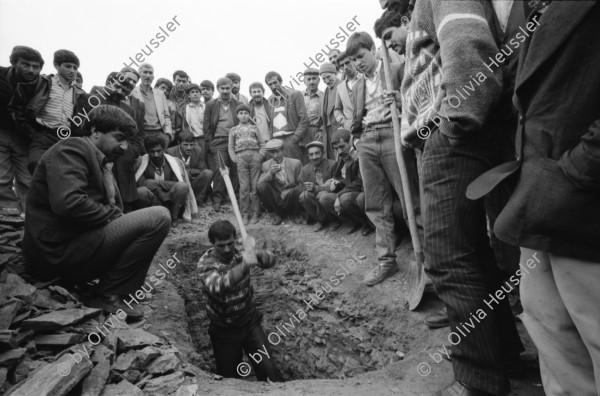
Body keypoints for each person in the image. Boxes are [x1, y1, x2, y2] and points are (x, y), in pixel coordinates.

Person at [470, 2, 600, 395]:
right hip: (542, 202)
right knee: (550, 332)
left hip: (585, 204)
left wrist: (580, 168)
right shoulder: (533, 11)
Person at [401, 1, 524, 394]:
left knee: (449, 258)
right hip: (456, 130)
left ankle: (480, 382)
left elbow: (467, 40)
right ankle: (503, 355)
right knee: (471, 253)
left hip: (455, 132)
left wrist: (456, 120)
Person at [23, 105, 170, 321]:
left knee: (141, 220)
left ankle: (117, 288)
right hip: (56, 254)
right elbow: (69, 204)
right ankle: (109, 295)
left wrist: (115, 216)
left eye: (127, 140)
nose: (124, 146)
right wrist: (113, 215)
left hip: (73, 248)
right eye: (119, 138)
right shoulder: (72, 148)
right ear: (94, 131)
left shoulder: (100, 160)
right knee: (159, 217)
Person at [346, 31, 419, 286]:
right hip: (367, 139)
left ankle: (429, 261)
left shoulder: (397, 70)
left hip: (393, 134)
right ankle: (386, 261)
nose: (357, 63)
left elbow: (418, 100)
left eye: (361, 56)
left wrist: (399, 99)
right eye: (353, 59)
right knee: (376, 204)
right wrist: (356, 140)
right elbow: (356, 118)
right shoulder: (358, 86)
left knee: (411, 199)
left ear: (374, 50)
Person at [197, 220, 283, 381]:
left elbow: (270, 262)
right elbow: (219, 287)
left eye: (230, 243)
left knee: (269, 370)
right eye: (221, 245)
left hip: (249, 322)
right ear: (212, 243)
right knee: (229, 379)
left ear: (234, 239)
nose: (227, 249)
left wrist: (261, 255)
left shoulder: (241, 251)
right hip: (224, 329)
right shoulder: (206, 263)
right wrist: (244, 266)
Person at [25, 49, 86, 173]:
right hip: (43, 133)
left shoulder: (79, 92)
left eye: (75, 67)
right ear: (56, 65)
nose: (72, 71)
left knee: (64, 171)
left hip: (66, 136)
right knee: (35, 164)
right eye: (68, 66)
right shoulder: (43, 82)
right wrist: (32, 131)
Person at [0, 46, 43, 213]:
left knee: (28, 179)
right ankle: (9, 218)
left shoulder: (41, 85)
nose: (31, 70)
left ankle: (30, 218)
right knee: (2, 178)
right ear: (13, 63)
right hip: (1, 132)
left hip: (24, 137)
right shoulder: (2, 76)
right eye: (26, 64)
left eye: (36, 66)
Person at [134, 134, 198, 226]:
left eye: (159, 151)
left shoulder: (174, 162)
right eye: (152, 152)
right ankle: (150, 218)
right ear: (147, 151)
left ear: (164, 150)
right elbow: (142, 183)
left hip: (170, 198)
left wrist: (157, 183)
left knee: (182, 186)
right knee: (141, 191)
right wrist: (161, 193)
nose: (156, 155)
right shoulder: (141, 162)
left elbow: (176, 183)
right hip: (154, 199)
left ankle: (174, 217)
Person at [321, 129, 371, 235]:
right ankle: (356, 221)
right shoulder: (342, 157)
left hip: (362, 190)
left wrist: (339, 195)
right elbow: (341, 176)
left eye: (342, 146)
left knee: (345, 199)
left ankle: (369, 223)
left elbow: (359, 181)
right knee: (324, 198)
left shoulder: (359, 155)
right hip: (349, 190)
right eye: (336, 149)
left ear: (351, 142)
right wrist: (337, 182)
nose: (339, 152)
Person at [203, 77, 241, 211]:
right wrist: (210, 142)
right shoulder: (211, 104)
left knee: (235, 169)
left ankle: (236, 198)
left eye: (227, 88)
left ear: (231, 89)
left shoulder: (237, 103)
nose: (225, 91)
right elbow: (206, 126)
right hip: (218, 141)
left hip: (235, 141)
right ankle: (217, 199)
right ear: (218, 89)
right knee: (221, 170)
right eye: (222, 88)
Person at [228, 104, 265, 225]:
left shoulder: (254, 128)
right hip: (241, 159)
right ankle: (245, 214)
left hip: (254, 158)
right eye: (241, 113)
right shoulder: (233, 130)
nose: (243, 115)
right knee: (244, 188)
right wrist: (234, 158)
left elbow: (262, 144)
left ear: (249, 115)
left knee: (255, 187)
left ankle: (256, 213)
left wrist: (260, 156)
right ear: (237, 115)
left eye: (246, 113)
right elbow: (231, 147)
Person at [257, 139, 303, 225]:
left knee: (298, 190)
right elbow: (259, 184)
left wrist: (288, 191)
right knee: (262, 187)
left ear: (283, 151)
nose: (275, 156)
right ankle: (277, 214)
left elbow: (301, 183)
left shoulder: (295, 163)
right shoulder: (266, 165)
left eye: (277, 152)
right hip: (276, 197)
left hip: (291, 196)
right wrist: (270, 173)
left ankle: (296, 213)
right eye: (271, 153)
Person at [264, 71, 308, 162]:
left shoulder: (294, 94)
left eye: (275, 83)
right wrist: (272, 140)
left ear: (280, 82)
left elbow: (303, 119)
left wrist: (295, 138)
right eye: (270, 84)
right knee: (281, 170)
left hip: (290, 138)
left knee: (295, 168)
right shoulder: (270, 100)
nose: (273, 86)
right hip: (277, 140)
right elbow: (271, 122)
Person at [299, 141, 339, 232]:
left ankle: (333, 219)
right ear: (308, 156)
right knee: (304, 196)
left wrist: (318, 188)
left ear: (323, 153)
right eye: (311, 154)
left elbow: (337, 186)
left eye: (317, 153)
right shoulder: (305, 169)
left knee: (323, 196)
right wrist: (313, 187)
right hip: (315, 194)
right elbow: (303, 187)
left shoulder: (333, 165)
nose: (314, 157)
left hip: (330, 194)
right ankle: (320, 220)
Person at [166, 130, 213, 208]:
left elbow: (202, 169)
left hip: (193, 183)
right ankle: (183, 201)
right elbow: (169, 174)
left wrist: (188, 170)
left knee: (208, 173)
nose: (189, 148)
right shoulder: (170, 152)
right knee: (186, 174)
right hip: (178, 184)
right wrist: (185, 172)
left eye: (191, 145)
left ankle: (198, 199)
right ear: (178, 143)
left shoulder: (198, 150)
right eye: (185, 145)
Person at [131, 63, 173, 146]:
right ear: (140, 74)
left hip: (160, 133)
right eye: (145, 72)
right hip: (143, 134)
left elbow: (166, 115)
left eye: (151, 73)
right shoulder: (133, 93)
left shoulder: (160, 94)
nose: (148, 75)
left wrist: (168, 134)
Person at [334, 51, 362, 131]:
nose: (345, 67)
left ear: (353, 61)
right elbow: (337, 109)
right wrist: (345, 123)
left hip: (368, 125)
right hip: (351, 129)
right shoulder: (340, 87)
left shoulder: (365, 79)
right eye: (342, 65)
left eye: (347, 63)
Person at [319, 62, 342, 159]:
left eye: (328, 77)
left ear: (335, 73)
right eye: (324, 79)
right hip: (328, 130)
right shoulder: (326, 91)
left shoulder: (342, 86)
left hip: (339, 128)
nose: (327, 81)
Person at [302, 68, 323, 163]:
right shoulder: (299, 96)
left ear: (319, 80)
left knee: (318, 159)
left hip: (317, 133)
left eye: (314, 79)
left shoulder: (324, 96)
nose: (311, 82)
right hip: (302, 134)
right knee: (303, 160)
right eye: (309, 79)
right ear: (304, 81)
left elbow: (327, 115)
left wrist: (321, 130)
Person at [182, 83, 206, 153]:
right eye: (192, 92)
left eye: (197, 92)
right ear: (188, 95)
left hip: (205, 138)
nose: (195, 94)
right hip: (193, 139)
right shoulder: (185, 109)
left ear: (201, 94)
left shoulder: (206, 107)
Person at [168, 70, 191, 142]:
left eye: (184, 81)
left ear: (187, 82)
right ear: (174, 81)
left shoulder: (190, 96)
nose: (181, 84)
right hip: (171, 132)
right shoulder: (167, 94)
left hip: (186, 133)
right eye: (178, 81)